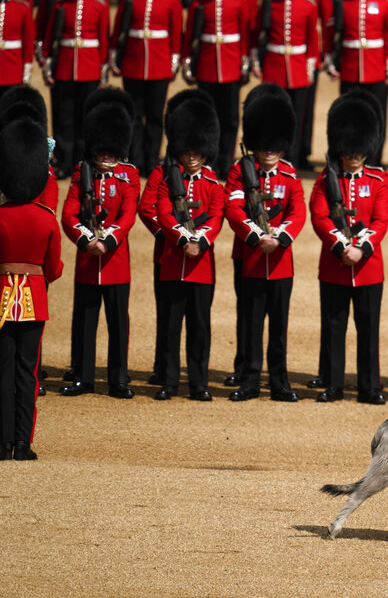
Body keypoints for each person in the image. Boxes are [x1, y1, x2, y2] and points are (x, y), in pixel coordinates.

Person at [224, 85, 306, 402]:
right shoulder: (239, 171)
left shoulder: (288, 174)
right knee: (252, 322)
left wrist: (280, 237)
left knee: (278, 327)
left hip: (281, 260)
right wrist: (257, 236)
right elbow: (233, 208)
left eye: (274, 146)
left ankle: (279, 381)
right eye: (264, 146)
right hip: (252, 257)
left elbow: (297, 212)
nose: (269, 151)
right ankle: (250, 378)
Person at [309, 91, 388, 404]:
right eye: (349, 150)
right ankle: (333, 383)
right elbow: (319, 216)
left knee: (368, 329)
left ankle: (369, 386)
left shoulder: (379, 180)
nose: (354, 155)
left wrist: (361, 248)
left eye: (359, 150)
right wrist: (342, 245)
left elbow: (381, 220)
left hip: (368, 267)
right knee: (334, 327)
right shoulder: (325, 181)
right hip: (335, 265)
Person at [58, 88, 139, 399]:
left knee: (118, 323)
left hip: (116, 261)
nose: (105, 156)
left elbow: (129, 213)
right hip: (88, 260)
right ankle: (82, 375)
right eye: (101, 151)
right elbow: (68, 212)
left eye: (110, 151)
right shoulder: (82, 172)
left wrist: (107, 239)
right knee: (84, 322)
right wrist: (85, 239)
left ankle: (118, 377)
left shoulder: (128, 175)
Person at [153, 89, 225, 401]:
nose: (192, 155)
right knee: (170, 327)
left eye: (198, 150)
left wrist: (199, 241)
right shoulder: (170, 180)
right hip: (173, 260)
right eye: (188, 150)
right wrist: (183, 238)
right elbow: (162, 211)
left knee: (199, 328)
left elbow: (217, 218)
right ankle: (169, 382)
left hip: (201, 266)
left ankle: (198, 383)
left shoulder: (213, 185)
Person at [0, 113, 63, 460]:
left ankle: (2, 440)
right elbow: (53, 269)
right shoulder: (45, 217)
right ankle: (23, 443)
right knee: (28, 374)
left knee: (3, 370)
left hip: (1, 299)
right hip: (34, 300)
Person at [110, 0, 181, 176]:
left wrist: (174, 62)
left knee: (154, 117)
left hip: (160, 65)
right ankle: (135, 159)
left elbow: (175, 33)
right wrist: (113, 56)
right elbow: (119, 29)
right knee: (134, 115)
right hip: (133, 62)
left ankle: (152, 160)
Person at [326, 0, 388, 166]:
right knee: (347, 116)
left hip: (376, 68)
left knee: (376, 117)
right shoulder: (344, 3)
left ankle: (375, 159)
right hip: (350, 67)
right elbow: (334, 36)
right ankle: (346, 156)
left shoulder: (384, 3)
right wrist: (331, 61)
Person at [183, 0, 251, 179]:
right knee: (206, 118)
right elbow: (190, 35)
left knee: (230, 119)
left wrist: (245, 62)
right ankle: (208, 161)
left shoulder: (239, 1)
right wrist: (187, 61)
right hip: (207, 66)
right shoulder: (199, 3)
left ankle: (226, 160)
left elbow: (245, 34)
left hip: (231, 66)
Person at [251, 0, 321, 169]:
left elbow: (313, 39)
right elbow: (258, 34)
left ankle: (293, 157)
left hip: (299, 67)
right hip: (274, 64)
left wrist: (310, 66)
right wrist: (256, 61)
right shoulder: (270, 3)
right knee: (274, 115)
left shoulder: (309, 5)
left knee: (297, 117)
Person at [42, 0, 108, 179]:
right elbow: (50, 38)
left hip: (89, 68)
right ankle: (64, 161)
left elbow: (103, 42)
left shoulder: (100, 4)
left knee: (85, 118)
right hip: (64, 67)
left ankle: (84, 163)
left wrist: (102, 72)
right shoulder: (62, 3)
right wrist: (48, 65)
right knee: (64, 118)